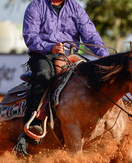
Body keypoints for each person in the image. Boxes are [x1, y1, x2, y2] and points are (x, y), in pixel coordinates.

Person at [22, 0, 109, 137]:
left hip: (71, 56)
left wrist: (103, 55)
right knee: (43, 74)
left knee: (92, 75)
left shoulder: (76, 8)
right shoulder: (36, 6)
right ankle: (33, 123)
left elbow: (90, 34)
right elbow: (31, 37)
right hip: (43, 55)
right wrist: (50, 47)